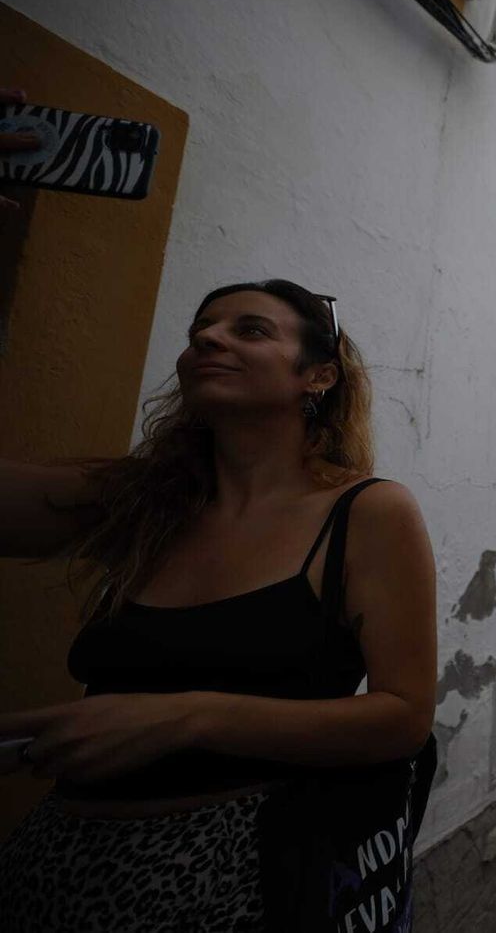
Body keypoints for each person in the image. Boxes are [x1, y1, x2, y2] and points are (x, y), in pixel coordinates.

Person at [0, 280, 436, 928]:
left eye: (250, 330)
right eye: (201, 329)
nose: (207, 337)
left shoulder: (367, 512)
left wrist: (190, 716)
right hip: (60, 862)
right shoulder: (145, 504)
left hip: (242, 871)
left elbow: (402, 717)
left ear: (317, 375)